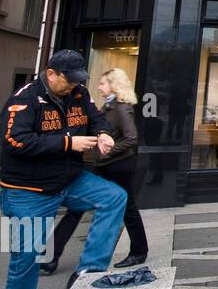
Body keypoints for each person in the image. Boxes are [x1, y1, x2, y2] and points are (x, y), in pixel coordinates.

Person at [0, 50, 124, 289]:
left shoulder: (79, 94)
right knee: (25, 261)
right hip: (28, 190)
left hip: (69, 179)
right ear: (51, 74)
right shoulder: (24, 100)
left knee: (114, 197)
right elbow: (16, 141)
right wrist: (69, 143)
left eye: (77, 82)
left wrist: (103, 135)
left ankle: (86, 272)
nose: (73, 87)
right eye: (68, 81)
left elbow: (96, 118)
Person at [39, 67, 145, 274]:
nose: (99, 86)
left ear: (114, 85)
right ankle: (51, 255)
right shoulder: (108, 106)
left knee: (126, 206)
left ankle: (139, 250)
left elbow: (132, 138)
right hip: (104, 164)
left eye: (103, 83)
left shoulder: (121, 108)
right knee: (77, 208)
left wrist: (108, 150)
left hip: (118, 165)